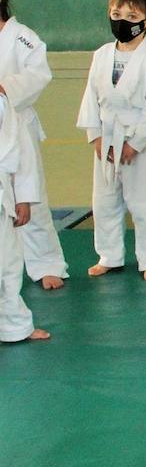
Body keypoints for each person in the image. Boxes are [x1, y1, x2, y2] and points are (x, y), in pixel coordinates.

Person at [77, 0, 146, 279]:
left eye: (132, 16)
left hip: (136, 141)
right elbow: (90, 96)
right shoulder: (102, 54)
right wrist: (94, 134)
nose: (122, 21)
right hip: (106, 138)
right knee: (104, 201)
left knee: (145, 203)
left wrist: (137, 142)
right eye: (117, 13)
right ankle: (109, 255)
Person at [0, 0, 67, 289]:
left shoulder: (22, 36)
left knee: (30, 198)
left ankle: (46, 264)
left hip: (18, 124)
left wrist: (5, 88)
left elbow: (39, 74)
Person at [0, 88, 44, 341]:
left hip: (3, 195)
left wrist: (24, 198)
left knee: (9, 264)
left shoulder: (8, 108)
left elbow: (24, 158)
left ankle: (14, 326)